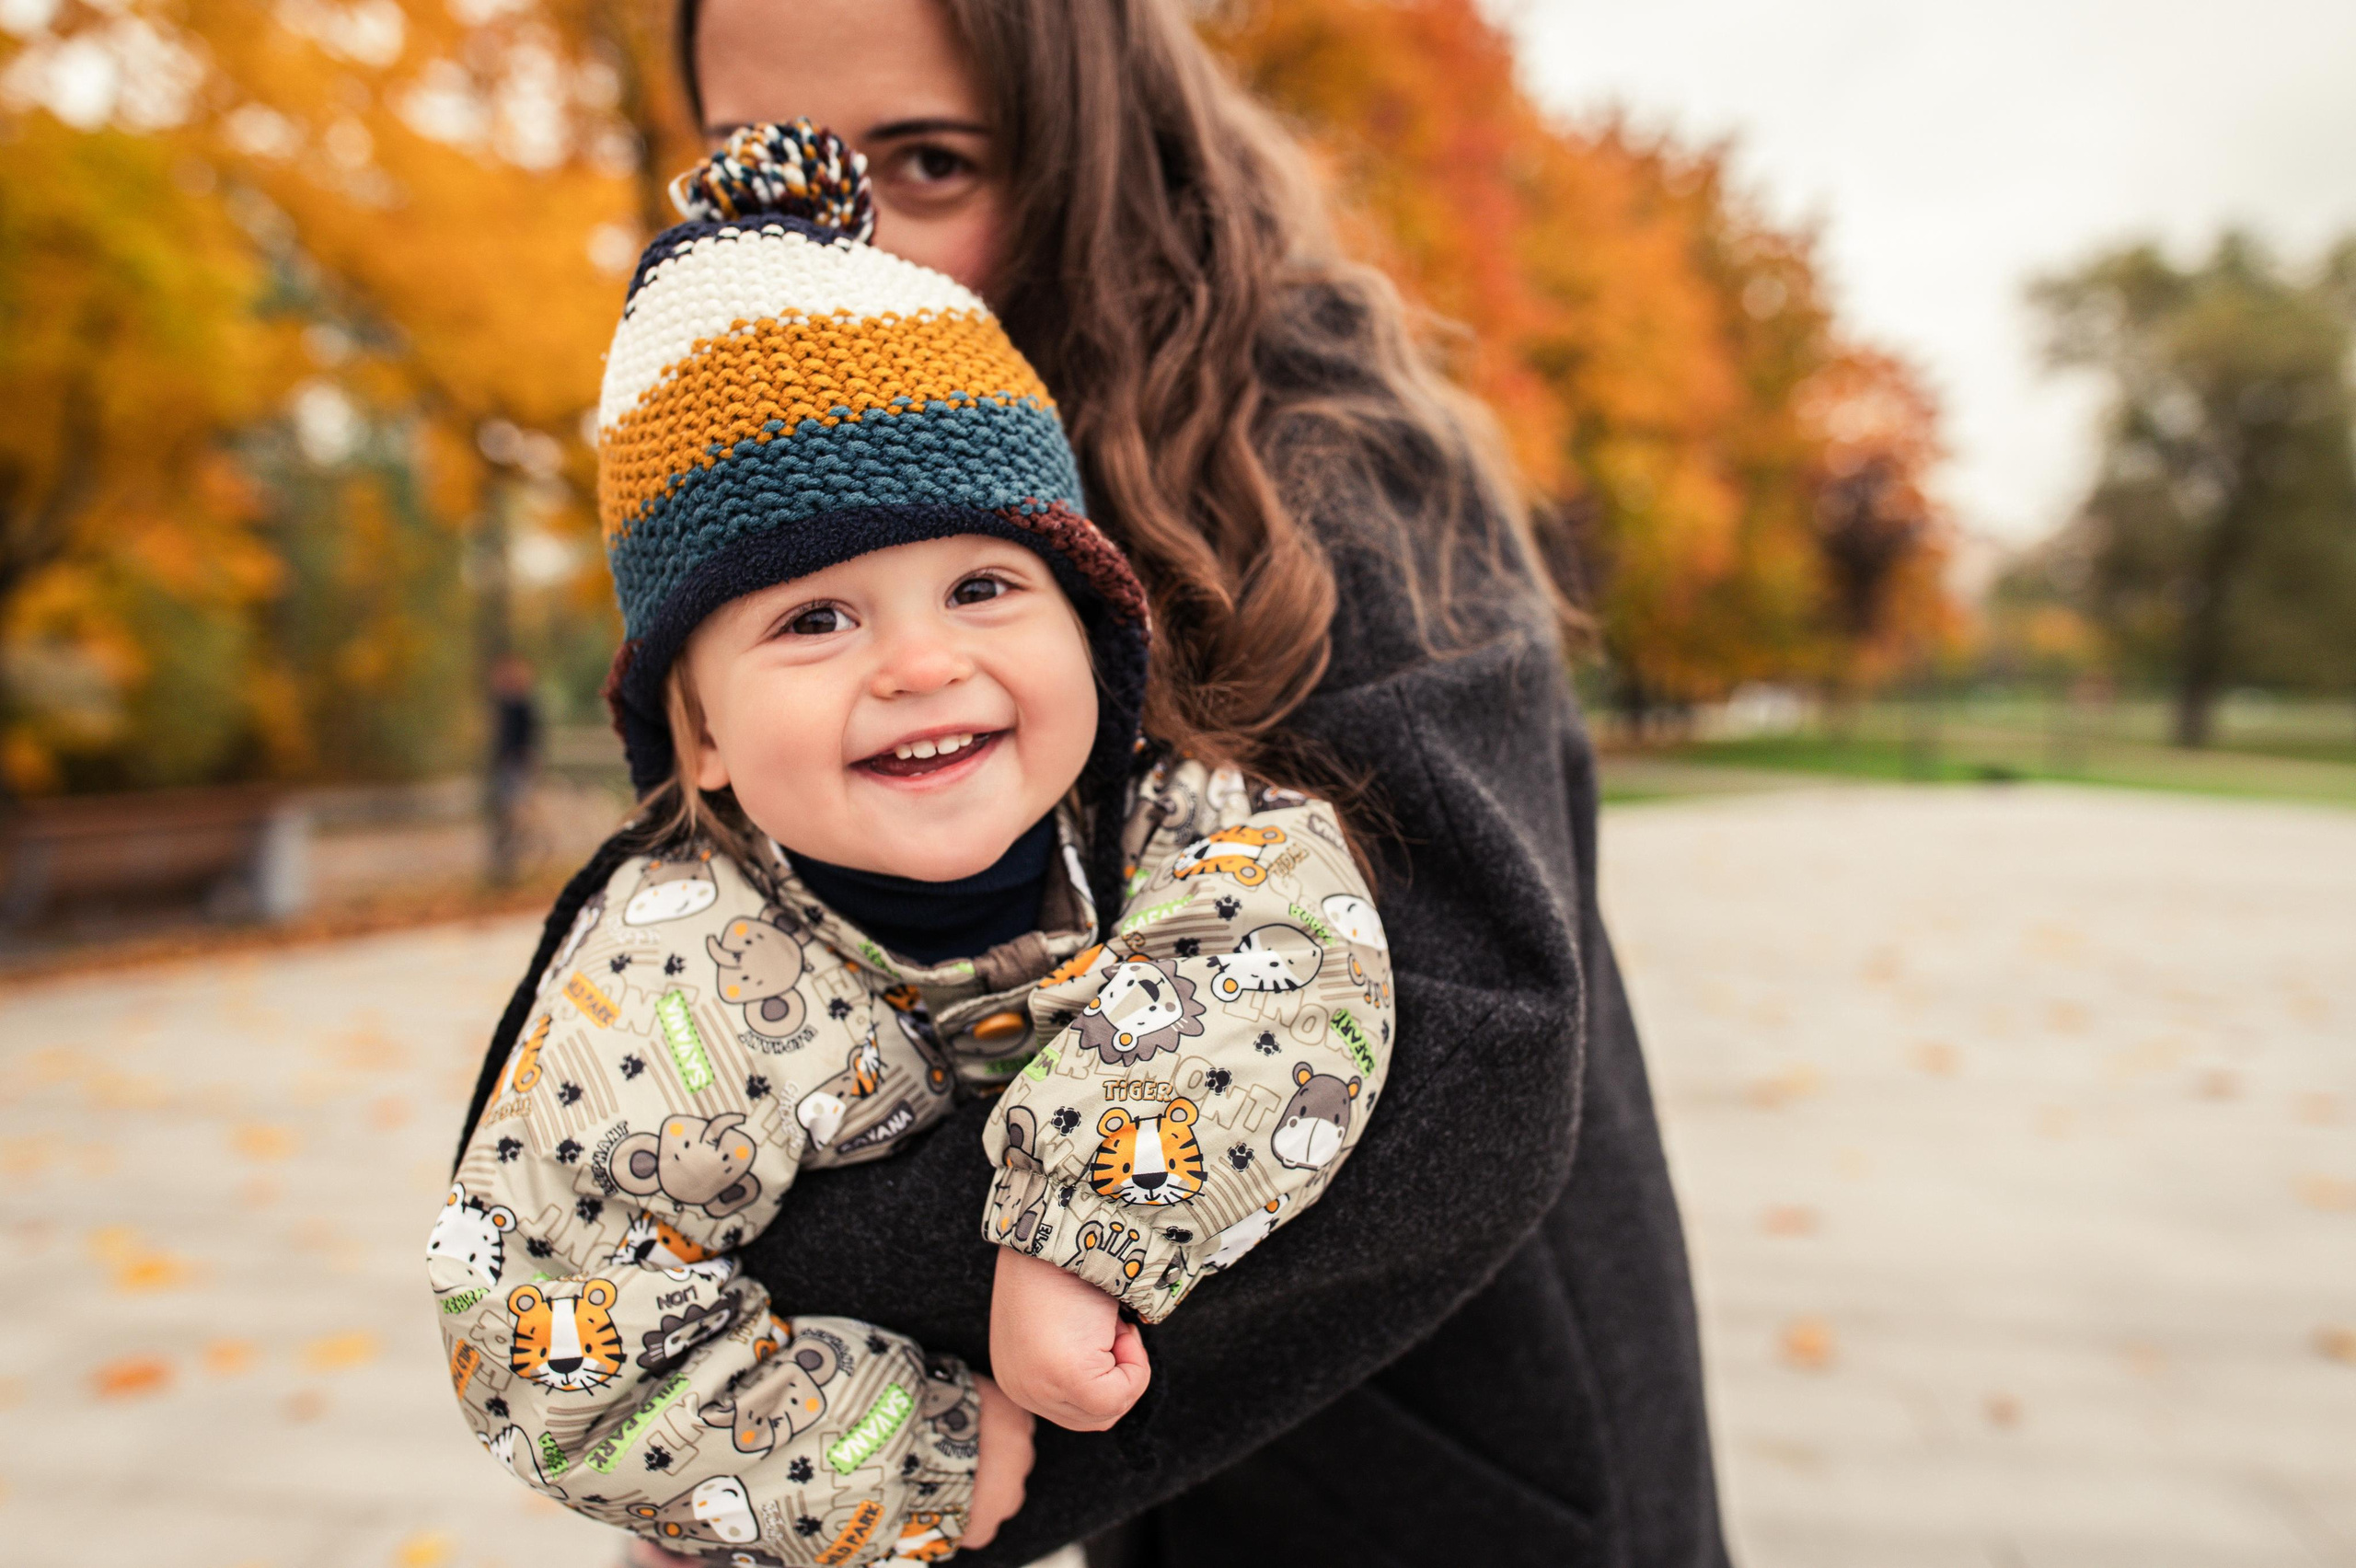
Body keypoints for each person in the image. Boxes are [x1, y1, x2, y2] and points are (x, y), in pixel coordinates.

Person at [465, 0, 1730, 1562]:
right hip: (1194, 1474)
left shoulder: (1322, 459)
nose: (839, 235)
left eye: (927, 162)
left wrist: (877, 1385)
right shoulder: (850, 468)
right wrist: (758, 1445)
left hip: (1461, 1471)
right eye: (767, 167)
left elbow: (1476, 1031)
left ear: (1086, 142)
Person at [434, 123, 1396, 1563]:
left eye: (984, 585)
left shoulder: (1167, 832)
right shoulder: (664, 980)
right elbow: (542, 1327)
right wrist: (915, 1450)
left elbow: (1295, 953)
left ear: (1097, 623)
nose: (920, 664)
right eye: (815, 620)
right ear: (696, 737)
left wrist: (1082, 1232)